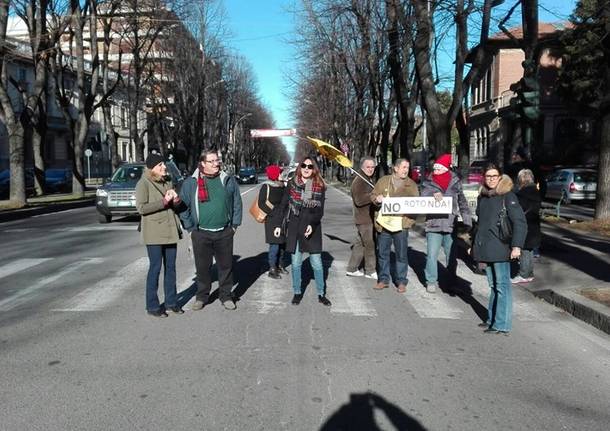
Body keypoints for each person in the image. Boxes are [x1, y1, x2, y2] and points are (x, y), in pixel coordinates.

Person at [179, 149, 242, 311]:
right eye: (212, 161)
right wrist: (190, 228)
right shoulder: (191, 183)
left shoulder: (227, 179)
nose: (216, 164)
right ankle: (202, 296)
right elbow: (182, 207)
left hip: (224, 231)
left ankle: (226, 296)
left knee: (226, 266)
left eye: (217, 160)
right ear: (202, 164)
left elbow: (237, 202)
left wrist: (234, 225)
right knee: (202, 267)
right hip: (201, 232)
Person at [472, 163, 527, 335]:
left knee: (502, 286)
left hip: (502, 247)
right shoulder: (484, 197)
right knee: (493, 285)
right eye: (488, 177)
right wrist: (473, 244)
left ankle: (501, 324)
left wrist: (517, 246)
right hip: (486, 247)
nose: (491, 180)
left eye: (494, 176)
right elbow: (480, 224)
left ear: (500, 177)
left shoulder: (508, 196)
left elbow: (520, 222)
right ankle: (492, 319)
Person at [276, 157, 331, 306]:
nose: (306, 168)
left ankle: (321, 294)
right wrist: (277, 225)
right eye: (304, 165)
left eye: (310, 166)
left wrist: (312, 224)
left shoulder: (319, 186)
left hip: (312, 228)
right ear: (300, 167)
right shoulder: (292, 184)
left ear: (314, 169)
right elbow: (283, 205)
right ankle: (297, 292)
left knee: (317, 264)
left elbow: (320, 211)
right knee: (295, 264)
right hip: (295, 227)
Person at [135, 153, 184, 318]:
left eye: (164, 164)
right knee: (155, 268)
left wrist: (176, 201)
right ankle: (153, 306)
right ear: (152, 169)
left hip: (170, 230)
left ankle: (171, 303)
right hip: (154, 232)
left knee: (171, 268)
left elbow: (174, 205)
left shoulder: (168, 181)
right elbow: (141, 208)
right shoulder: (143, 184)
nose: (164, 167)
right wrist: (164, 202)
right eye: (160, 165)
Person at [421, 154, 472, 293]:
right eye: (435, 168)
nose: (435, 171)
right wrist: (433, 194)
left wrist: (467, 221)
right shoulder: (429, 181)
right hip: (433, 224)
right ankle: (431, 281)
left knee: (451, 256)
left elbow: (462, 202)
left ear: (445, 169)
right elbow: (423, 195)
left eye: (438, 168)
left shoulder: (455, 182)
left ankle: (451, 282)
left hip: (451, 224)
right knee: (431, 255)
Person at [371, 158, 419, 293]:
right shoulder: (383, 181)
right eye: (403, 167)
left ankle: (401, 281)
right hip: (384, 224)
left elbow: (416, 205)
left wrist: (408, 221)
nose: (406, 170)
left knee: (401, 254)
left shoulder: (412, 185)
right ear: (395, 168)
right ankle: (383, 279)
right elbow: (373, 195)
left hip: (401, 225)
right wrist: (377, 199)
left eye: (407, 168)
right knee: (382, 253)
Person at [346, 156, 377, 280]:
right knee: (370, 245)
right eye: (367, 167)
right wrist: (374, 196)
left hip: (366, 218)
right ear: (362, 167)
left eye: (372, 167)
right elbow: (359, 200)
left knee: (360, 244)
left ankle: (352, 268)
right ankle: (370, 270)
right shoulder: (359, 181)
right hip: (364, 219)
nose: (370, 169)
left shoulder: (367, 179)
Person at [258, 164, 287, 279]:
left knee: (283, 243)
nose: (282, 174)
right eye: (280, 173)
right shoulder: (266, 187)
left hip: (283, 218)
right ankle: (272, 268)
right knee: (274, 244)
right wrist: (273, 212)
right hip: (272, 220)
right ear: (275, 175)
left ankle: (280, 265)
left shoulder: (282, 186)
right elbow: (261, 203)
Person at [512, 168, 541, 284]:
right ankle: (529, 273)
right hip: (534, 224)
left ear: (522, 179)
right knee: (529, 250)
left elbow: (519, 209)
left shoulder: (523, 193)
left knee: (524, 249)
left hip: (525, 224)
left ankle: (523, 273)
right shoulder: (535, 190)